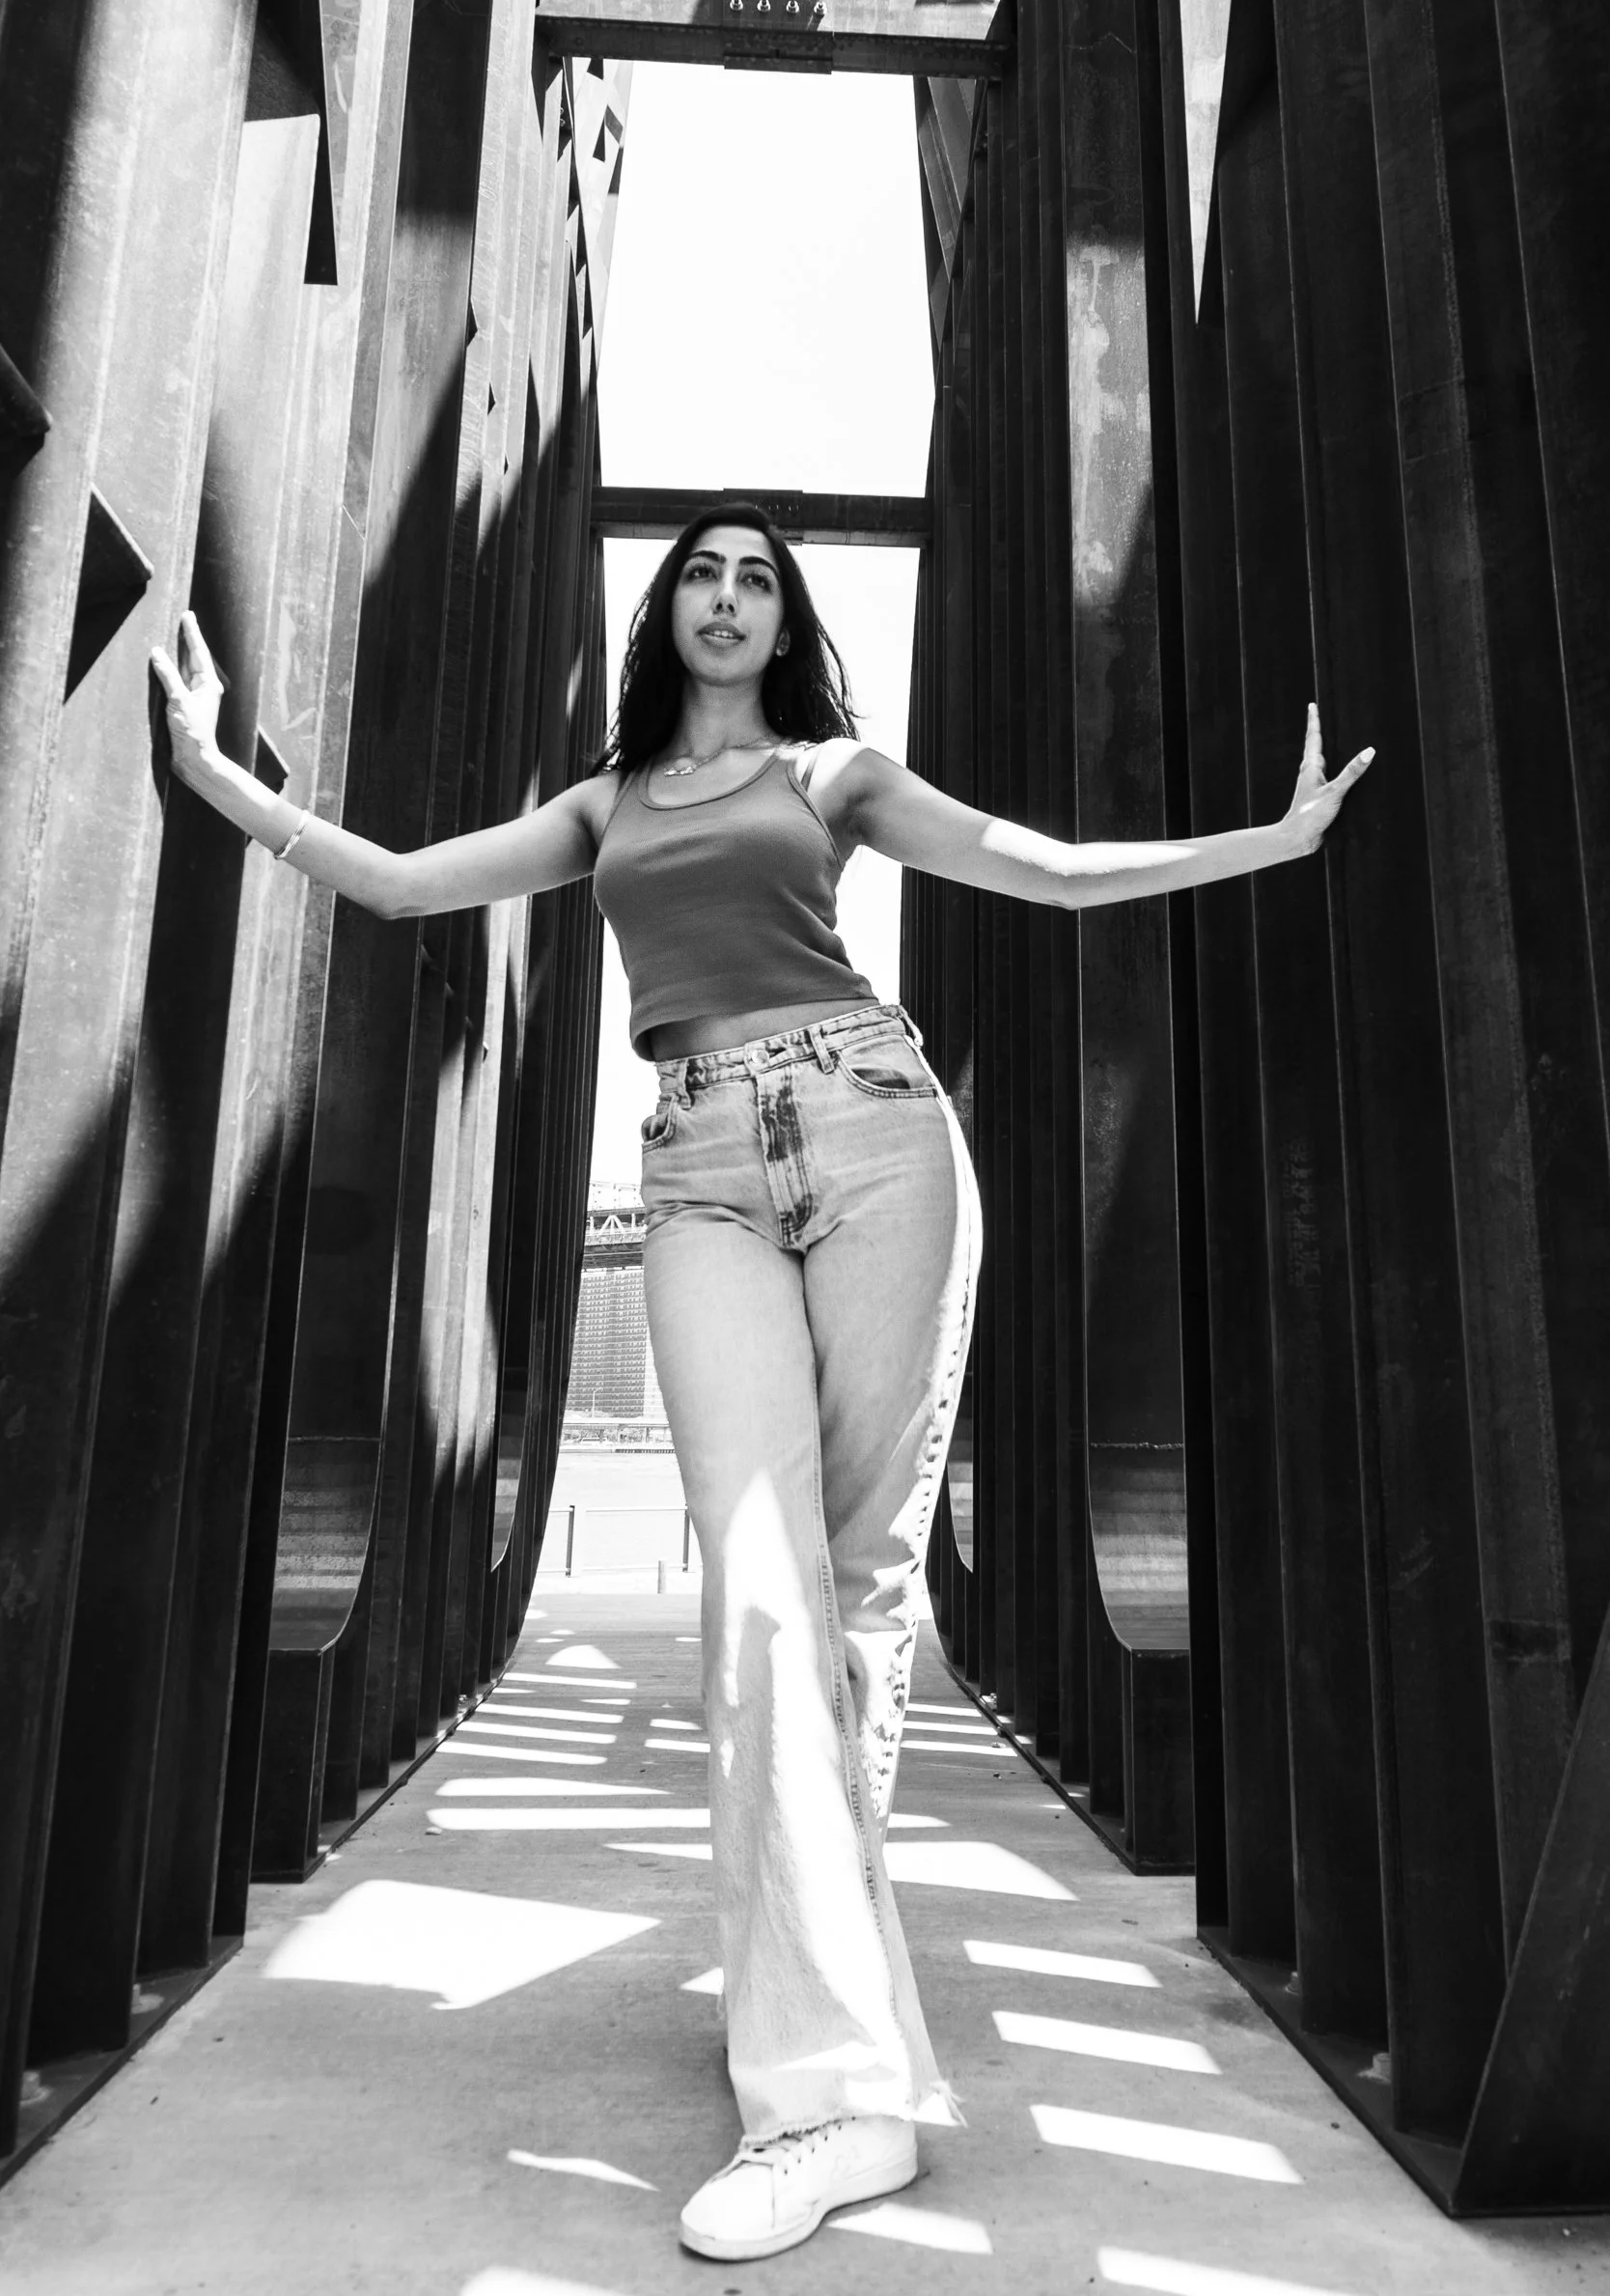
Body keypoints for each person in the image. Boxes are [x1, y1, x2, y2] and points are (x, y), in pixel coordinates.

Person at [153, 500, 1373, 2262]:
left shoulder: (831, 777)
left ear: (784, 621)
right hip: (701, 1164)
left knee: (866, 1589)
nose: (729, 597)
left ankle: (821, 1963)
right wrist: (217, 780)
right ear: (669, 615)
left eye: (759, 578)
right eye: (703, 574)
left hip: (880, 1133)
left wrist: (1267, 843)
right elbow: (413, 881)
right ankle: (833, 2102)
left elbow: (1032, 858)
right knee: (761, 1602)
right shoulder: (608, 807)